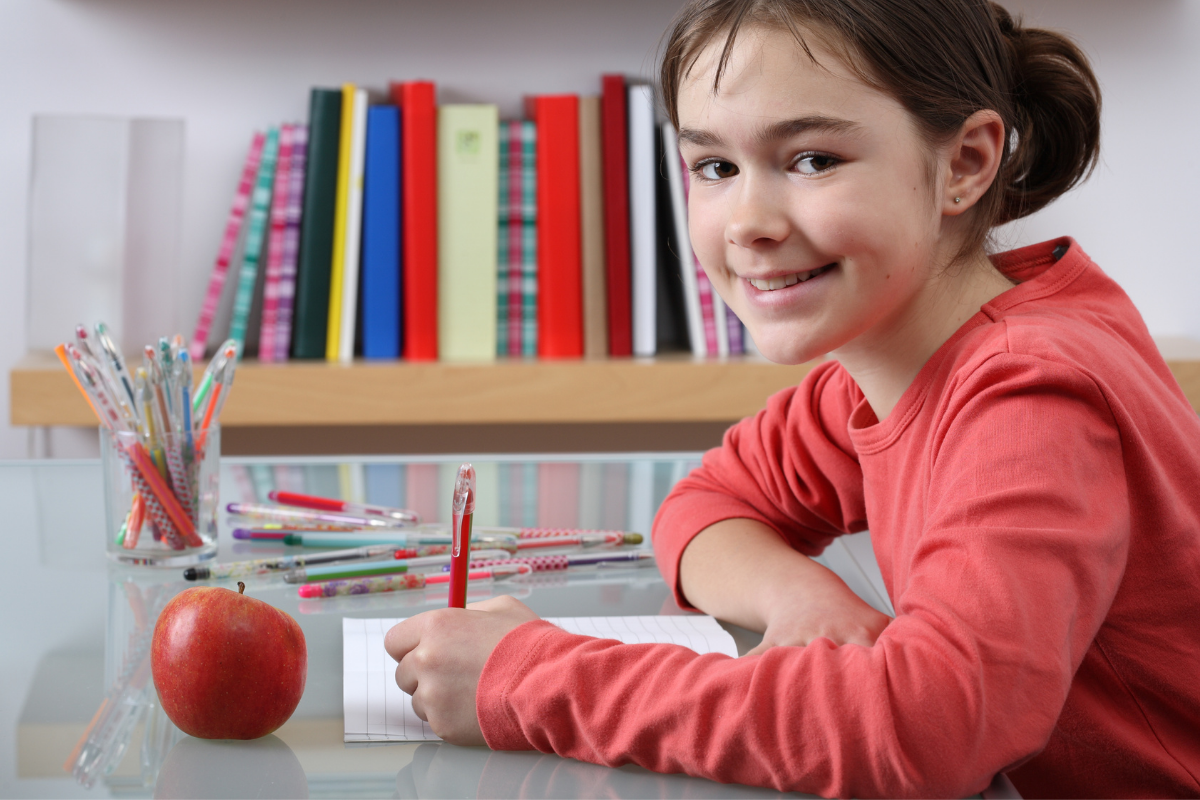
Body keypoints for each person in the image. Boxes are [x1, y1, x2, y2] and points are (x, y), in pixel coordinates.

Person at [384, 0, 1200, 795]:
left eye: (812, 159)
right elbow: (707, 503)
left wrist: (530, 678)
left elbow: (931, 730)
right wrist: (802, 595)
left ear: (965, 164)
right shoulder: (886, 363)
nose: (748, 222)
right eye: (715, 167)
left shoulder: (1029, 393)